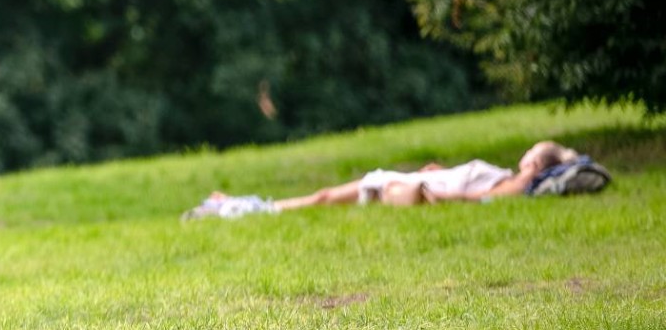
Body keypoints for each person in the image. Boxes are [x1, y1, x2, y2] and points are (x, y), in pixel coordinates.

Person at [188, 141, 587, 219]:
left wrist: (435, 192)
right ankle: (239, 206)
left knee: (322, 198)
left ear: (537, 162)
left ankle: (236, 209)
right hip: (421, 183)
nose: (525, 157)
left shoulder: (519, 182)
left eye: (532, 153)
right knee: (323, 198)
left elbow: (483, 200)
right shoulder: (509, 176)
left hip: (416, 191)